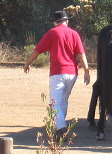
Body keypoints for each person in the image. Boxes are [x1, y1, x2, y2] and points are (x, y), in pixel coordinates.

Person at [24, 11, 90, 140]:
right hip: (72, 73)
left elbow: (37, 51)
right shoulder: (74, 34)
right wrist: (86, 70)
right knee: (63, 101)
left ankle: (61, 129)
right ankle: (60, 128)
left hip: (57, 72)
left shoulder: (52, 33)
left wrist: (27, 63)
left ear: (55, 22)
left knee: (55, 104)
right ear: (67, 21)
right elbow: (81, 54)